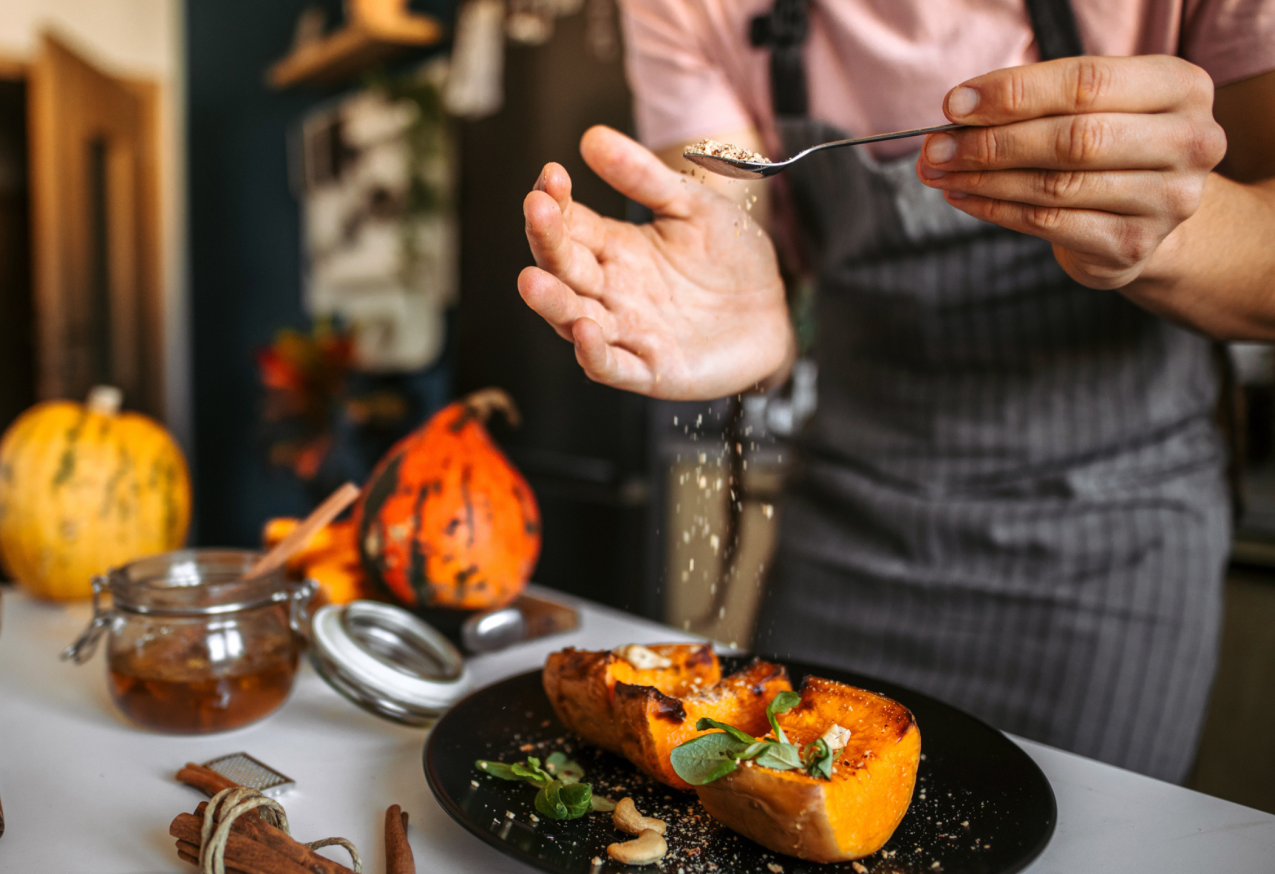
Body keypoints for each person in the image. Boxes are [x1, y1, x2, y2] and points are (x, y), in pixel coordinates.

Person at [518, 0, 1275, 783]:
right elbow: (728, 203)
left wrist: (1171, 227)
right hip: (849, 526)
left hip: (1115, 541)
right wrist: (735, 280)